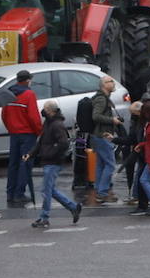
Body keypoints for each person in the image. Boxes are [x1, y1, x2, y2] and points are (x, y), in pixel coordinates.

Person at [24, 101, 81, 229]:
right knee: (50, 190)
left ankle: (44, 218)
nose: (42, 111)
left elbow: (64, 144)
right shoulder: (49, 123)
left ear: (51, 111)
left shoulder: (57, 125)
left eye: (45, 109)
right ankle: (73, 207)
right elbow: (41, 142)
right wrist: (30, 154)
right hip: (48, 161)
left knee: (46, 191)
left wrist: (51, 153)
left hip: (53, 162)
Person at [3, 70, 42, 207]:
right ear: (27, 80)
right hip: (27, 134)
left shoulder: (9, 94)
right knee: (25, 163)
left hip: (14, 134)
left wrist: (11, 128)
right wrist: (39, 132)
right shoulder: (29, 94)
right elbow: (33, 116)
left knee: (13, 163)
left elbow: (4, 114)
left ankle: (10, 193)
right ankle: (19, 193)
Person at [89, 75, 123, 204]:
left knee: (101, 164)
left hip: (98, 135)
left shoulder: (103, 98)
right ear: (104, 85)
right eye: (110, 82)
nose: (113, 83)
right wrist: (112, 120)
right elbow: (96, 116)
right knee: (110, 164)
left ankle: (99, 189)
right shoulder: (101, 99)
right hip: (102, 135)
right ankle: (102, 192)